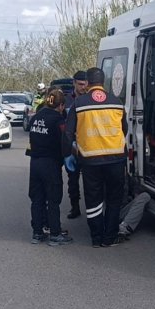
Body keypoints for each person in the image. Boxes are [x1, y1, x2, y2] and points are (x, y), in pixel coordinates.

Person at [64, 67, 127, 247]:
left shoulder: (79, 103)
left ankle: (96, 237)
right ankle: (110, 237)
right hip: (116, 158)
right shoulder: (117, 101)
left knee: (93, 199)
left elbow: (68, 134)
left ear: (89, 83)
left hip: (90, 160)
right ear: (103, 82)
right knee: (114, 199)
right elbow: (124, 129)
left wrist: (68, 154)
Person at [27, 89, 73, 246]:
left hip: (35, 162)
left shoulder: (36, 118)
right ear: (61, 106)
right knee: (53, 199)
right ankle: (55, 233)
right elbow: (65, 140)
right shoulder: (58, 120)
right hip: (50, 164)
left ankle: (37, 233)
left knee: (37, 198)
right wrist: (68, 156)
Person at [63, 70, 89, 219]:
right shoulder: (66, 100)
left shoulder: (88, 99)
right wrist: (67, 149)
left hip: (87, 146)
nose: (83, 87)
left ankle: (91, 208)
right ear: (74, 83)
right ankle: (75, 207)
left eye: (85, 84)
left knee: (89, 180)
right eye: (80, 84)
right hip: (71, 145)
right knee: (72, 180)